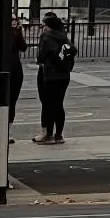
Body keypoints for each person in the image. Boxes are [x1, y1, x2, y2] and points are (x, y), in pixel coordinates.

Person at [33, 12, 76, 145]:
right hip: (64, 75)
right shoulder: (63, 37)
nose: (42, 27)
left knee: (47, 104)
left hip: (50, 74)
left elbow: (40, 57)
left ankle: (47, 133)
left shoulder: (46, 37)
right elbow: (73, 51)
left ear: (48, 26)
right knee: (59, 104)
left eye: (44, 25)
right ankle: (59, 135)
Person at [0, 17, 27, 144]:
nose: (15, 22)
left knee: (11, 102)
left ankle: (7, 131)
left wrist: (18, 33)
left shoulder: (16, 34)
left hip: (14, 70)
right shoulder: (0, 35)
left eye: (16, 20)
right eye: (12, 20)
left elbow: (23, 47)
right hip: (2, 70)